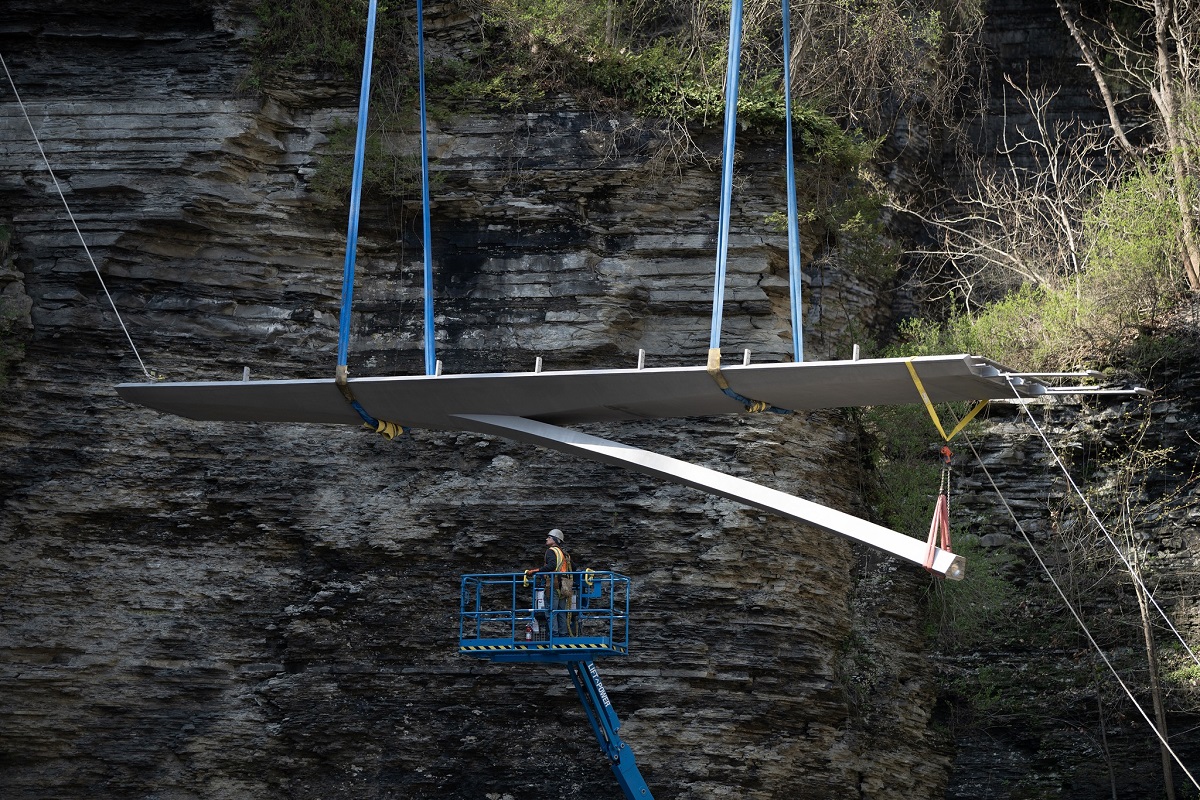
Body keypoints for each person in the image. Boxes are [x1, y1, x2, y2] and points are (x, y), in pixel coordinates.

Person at [525, 529, 573, 636]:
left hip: (554, 583)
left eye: (549, 537)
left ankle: (554, 635)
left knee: (551, 611)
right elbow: (572, 567)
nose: (547, 539)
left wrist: (535, 571)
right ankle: (563, 635)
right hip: (565, 585)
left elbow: (551, 565)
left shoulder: (551, 551)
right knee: (561, 612)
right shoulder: (564, 553)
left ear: (555, 540)